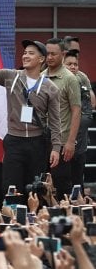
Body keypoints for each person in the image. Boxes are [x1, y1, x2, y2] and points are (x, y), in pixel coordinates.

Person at [0, 36, 61, 195]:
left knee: (35, 189)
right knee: (11, 189)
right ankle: (13, 217)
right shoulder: (11, 76)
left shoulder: (51, 88)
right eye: (25, 52)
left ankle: (33, 217)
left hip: (38, 144)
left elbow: (56, 121)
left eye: (31, 53)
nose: (25, 55)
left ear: (41, 59)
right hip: (14, 142)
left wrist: (56, 147)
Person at [43, 38, 81, 199]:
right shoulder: (39, 76)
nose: (49, 57)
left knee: (61, 187)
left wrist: (71, 141)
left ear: (63, 55)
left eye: (53, 54)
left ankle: (66, 222)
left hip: (62, 143)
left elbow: (76, 111)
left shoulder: (70, 79)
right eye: (47, 54)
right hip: (41, 141)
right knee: (42, 187)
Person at [64, 49, 94, 191]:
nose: (73, 67)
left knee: (77, 182)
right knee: (61, 180)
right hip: (59, 143)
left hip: (80, 142)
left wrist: (76, 122)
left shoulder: (82, 80)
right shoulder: (53, 81)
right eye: (69, 64)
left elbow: (89, 110)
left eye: (75, 64)